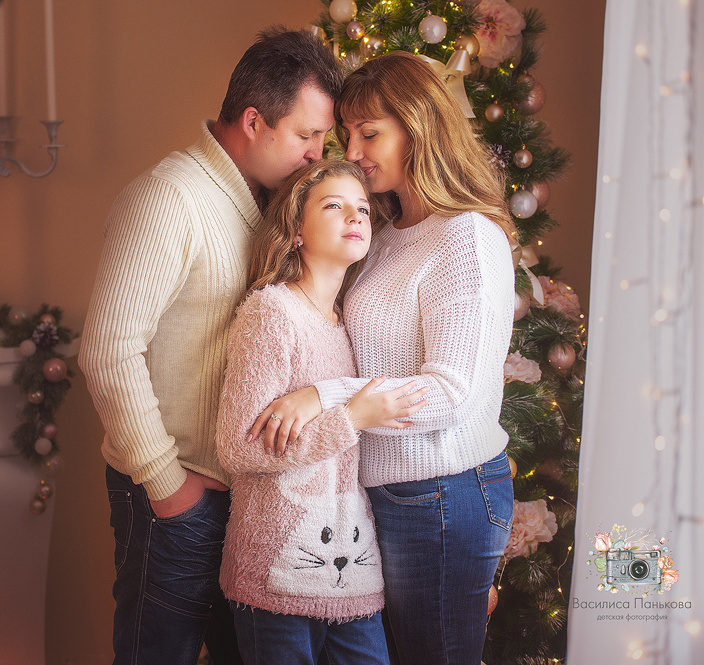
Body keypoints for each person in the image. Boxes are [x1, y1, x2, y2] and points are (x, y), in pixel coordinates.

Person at [77, 28, 342, 665]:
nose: (317, 156)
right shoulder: (170, 198)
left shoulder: (267, 203)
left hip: (243, 500)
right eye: (307, 136)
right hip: (173, 493)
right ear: (254, 121)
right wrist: (167, 485)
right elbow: (108, 350)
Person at [249, 51, 517, 665]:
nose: (354, 150)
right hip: (383, 495)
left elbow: (453, 392)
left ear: (420, 128)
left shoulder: (468, 236)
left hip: (444, 494)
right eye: (347, 134)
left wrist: (326, 397)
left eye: (371, 133)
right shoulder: (389, 233)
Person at [216, 159, 427, 665]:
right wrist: (350, 419)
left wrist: (341, 408)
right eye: (333, 206)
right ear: (295, 231)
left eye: (361, 209)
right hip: (277, 568)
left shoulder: (345, 323)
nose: (355, 217)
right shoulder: (272, 312)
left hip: (351, 568)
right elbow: (236, 445)